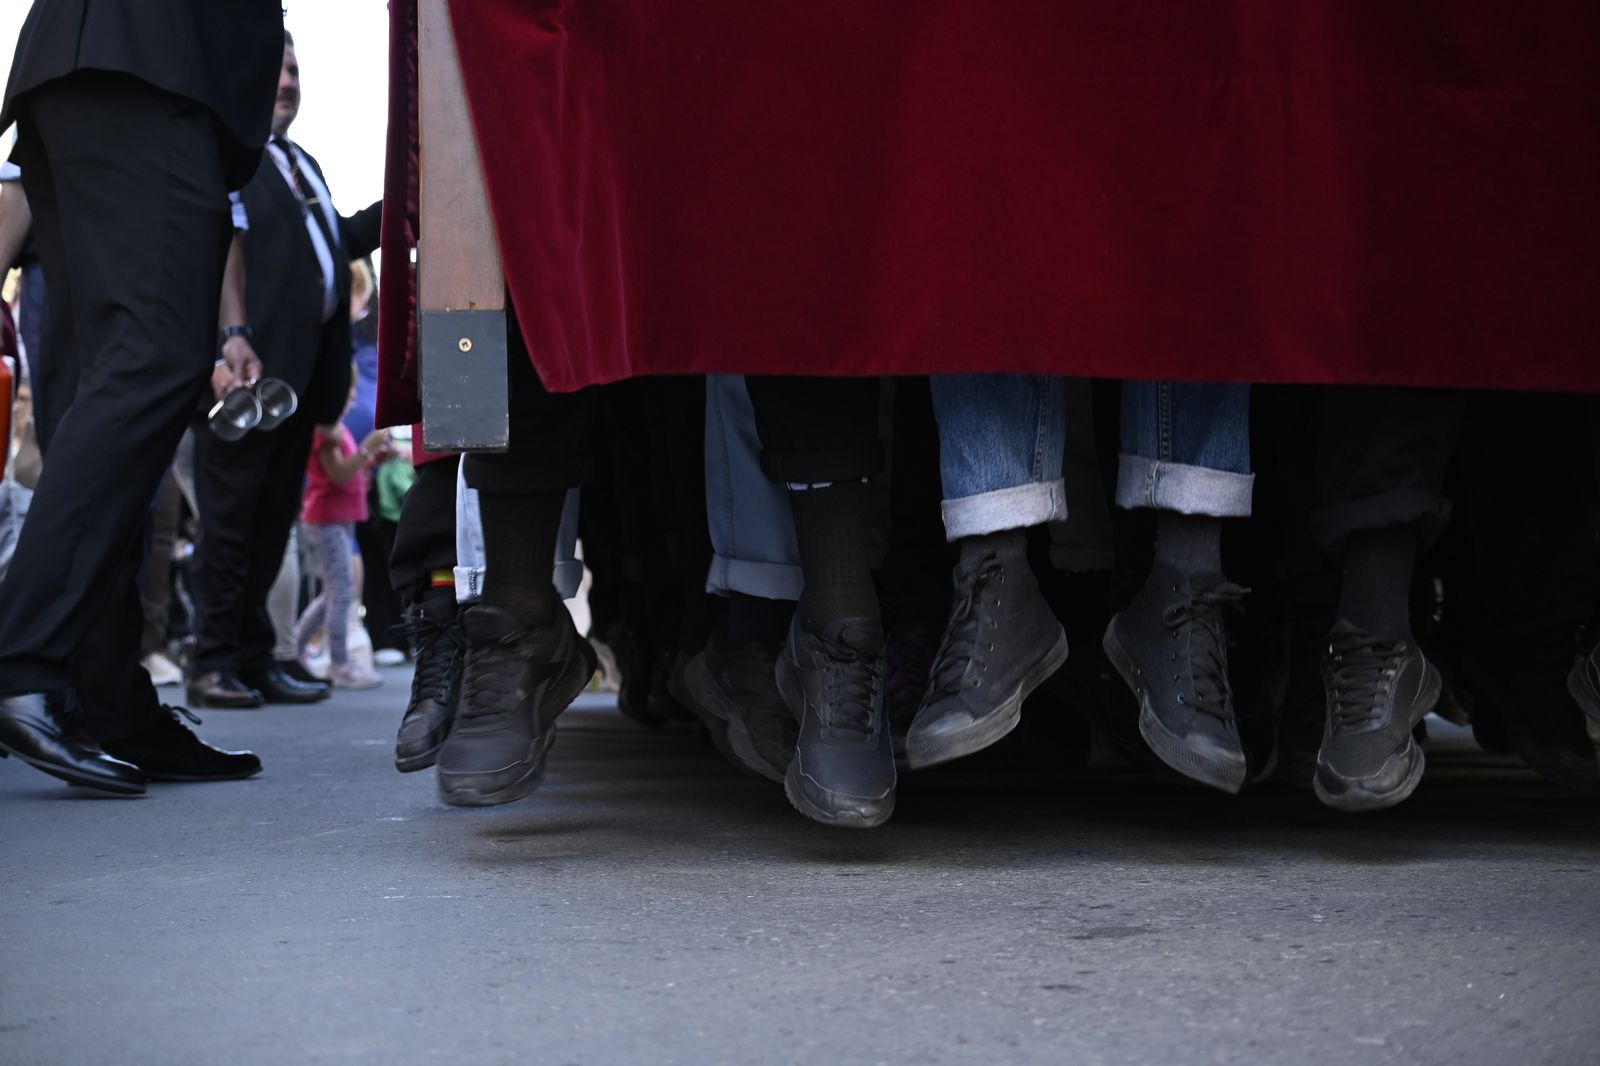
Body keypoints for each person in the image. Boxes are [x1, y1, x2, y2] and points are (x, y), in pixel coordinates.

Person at [0, 0, 280, 793]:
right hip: (143, 57)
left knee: (112, 375)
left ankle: (105, 699)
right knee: (149, 362)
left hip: (103, 63)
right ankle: (24, 663)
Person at [187, 31, 382, 709]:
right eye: (275, 69)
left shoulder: (302, 163)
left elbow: (335, 247)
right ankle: (211, 662)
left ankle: (253, 656)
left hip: (298, 384)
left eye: (295, 68)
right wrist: (218, 351)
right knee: (231, 523)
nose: (289, 81)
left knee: (270, 522)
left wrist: (401, 207)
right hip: (244, 380)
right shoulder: (226, 158)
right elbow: (206, 257)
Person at [296, 373, 392, 690]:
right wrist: (366, 451)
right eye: (346, 388)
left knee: (334, 593)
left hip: (338, 517)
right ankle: (339, 663)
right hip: (326, 518)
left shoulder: (335, 428)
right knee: (342, 593)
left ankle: (294, 650)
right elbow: (338, 474)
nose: (353, 395)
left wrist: (372, 459)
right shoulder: (327, 431)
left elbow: (347, 471)